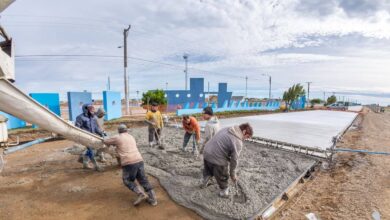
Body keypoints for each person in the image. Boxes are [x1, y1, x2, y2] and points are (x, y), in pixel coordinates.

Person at [103, 124, 157, 206]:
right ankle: (153, 199)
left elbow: (105, 141)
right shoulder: (131, 137)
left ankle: (140, 193)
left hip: (129, 162)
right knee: (143, 180)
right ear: (126, 130)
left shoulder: (117, 137)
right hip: (139, 160)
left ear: (119, 131)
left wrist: (104, 136)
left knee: (127, 180)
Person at [201, 123, 253, 198]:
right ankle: (224, 191)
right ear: (244, 132)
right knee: (222, 174)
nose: (246, 139)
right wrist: (233, 174)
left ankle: (205, 180)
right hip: (217, 157)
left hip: (206, 152)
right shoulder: (238, 142)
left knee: (208, 169)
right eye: (247, 137)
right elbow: (234, 160)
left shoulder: (228, 128)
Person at [75, 104, 103, 171]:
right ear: (86, 109)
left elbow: (96, 128)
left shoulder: (93, 117)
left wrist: (101, 133)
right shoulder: (80, 117)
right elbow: (77, 128)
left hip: (92, 137)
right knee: (91, 151)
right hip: (85, 137)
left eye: (93, 109)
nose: (93, 110)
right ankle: (96, 166)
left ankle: (84, 162)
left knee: (91, 150)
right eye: (91, 109)